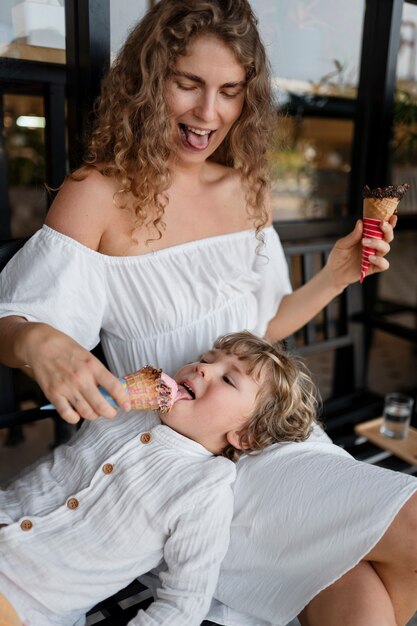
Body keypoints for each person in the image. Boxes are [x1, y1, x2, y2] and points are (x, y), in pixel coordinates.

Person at [0, 1, 416, 625]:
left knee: (364, 598)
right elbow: (16, 322)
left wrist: (334, 275)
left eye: (229, 92)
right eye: (187, 84)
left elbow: (260, 335)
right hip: (180, 467)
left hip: (269, 437)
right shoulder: (97, 194)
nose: (208, 113)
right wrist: (36, 344)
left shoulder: (246, 189)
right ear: (148, 82)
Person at [0, 331, 317, 626]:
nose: (202, 369)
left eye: (229, 379)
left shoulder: (205, 490)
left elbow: (185, 603)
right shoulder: (127, 410)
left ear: (246, 436)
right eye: (206, 359)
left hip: (27, 603)